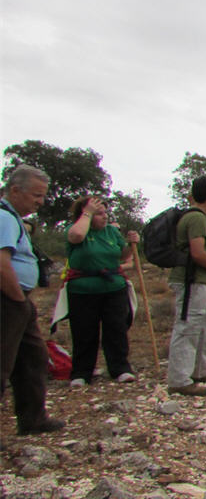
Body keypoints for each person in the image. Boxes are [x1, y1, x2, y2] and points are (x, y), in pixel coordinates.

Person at [1, 164, 64, 433]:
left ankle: (33, 418)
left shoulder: (14, 219)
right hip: (8, 298)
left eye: (43, 196)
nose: (40, 202)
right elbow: (1, 263)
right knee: (3, 360)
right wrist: (17, 300)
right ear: (15, 190)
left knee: (33, 356)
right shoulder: (4, 218)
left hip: (17, 298)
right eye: (36, 195)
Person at [63, 196, 139, 386]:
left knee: (116, 328)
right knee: (84, 330)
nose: (104, 217)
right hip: (82, 289)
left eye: (105, 212)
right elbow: (76, 236)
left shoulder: (111, 232)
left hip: (114, 287)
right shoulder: (74, 229)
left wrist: (131, 244)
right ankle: (81, 372)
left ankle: (120, 368)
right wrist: (88, 213)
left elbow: (122, 255)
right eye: (98, 213)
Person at [165, 175, 206, 397]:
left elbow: (205, 247)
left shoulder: (202, 219)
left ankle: (198, 370)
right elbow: (198, 253)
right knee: (188, 326)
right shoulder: (196, 218)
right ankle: (179, 380)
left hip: (203, 281)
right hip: (191, 280)